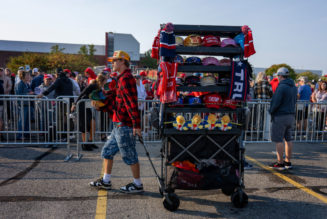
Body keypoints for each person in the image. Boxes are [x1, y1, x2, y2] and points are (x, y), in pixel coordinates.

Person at [90, 50, 143, 193]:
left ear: (122, 61)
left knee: (130, 155)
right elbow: (115, 103)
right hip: (117, 124)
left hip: (125, 125)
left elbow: (131, 103)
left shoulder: (126, 79)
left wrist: (136, 125)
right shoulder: (119, 79)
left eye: (114, 60)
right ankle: (106, 181)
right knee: (107, 152)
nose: (112, 63)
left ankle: (138, 184)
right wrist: (101, 106)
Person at [269, 67, 297, 170]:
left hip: (280, 115)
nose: (277, 77)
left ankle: (280, 163)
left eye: (277, 76)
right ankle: (287, 162)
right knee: (288, 139)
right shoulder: (294, 87)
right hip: (290, 115)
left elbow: (276, 102)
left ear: (280, 75)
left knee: (278, 140)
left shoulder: (281, 87)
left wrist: (271, 111)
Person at [71, 74, 107, 151]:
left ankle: (91, 141)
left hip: (88, 106)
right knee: (84, 125)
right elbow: (82, 93)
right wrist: (74, 104)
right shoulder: (93, 85)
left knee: (92, 123)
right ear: (102, 81)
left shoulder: (99, 87)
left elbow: (102, 97)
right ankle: (84, 144)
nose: (106, 82)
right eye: (105, 80)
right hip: (82, 105)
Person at [15, 71, 34, 139]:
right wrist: (28, 94)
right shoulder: (20, 84)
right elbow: (18, 94)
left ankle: (26, 134)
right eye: (27, 75)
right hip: (23, 104)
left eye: (29, 75)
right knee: (22, 120)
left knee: (27, 121)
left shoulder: (27, 84)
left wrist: (31, 92)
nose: (29, 76)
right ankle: (20, 135)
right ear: (22, 76)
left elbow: (29, 91)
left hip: (28, 104)